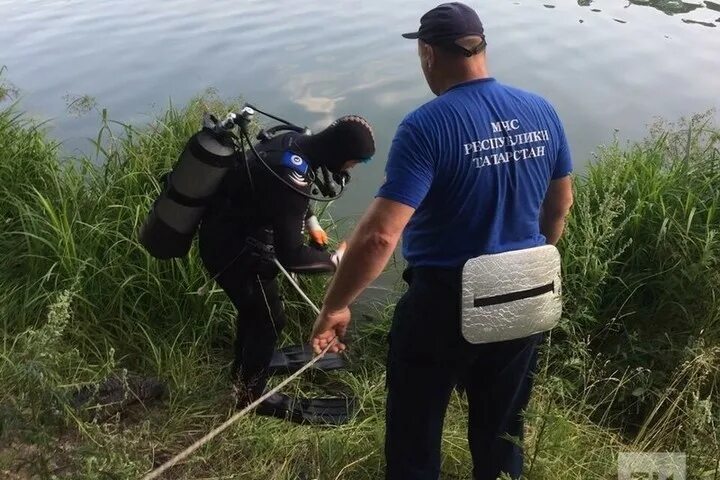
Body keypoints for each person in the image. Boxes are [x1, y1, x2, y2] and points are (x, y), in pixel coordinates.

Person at [311, 3, 573, 479]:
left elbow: (379, 237)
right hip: (527, 294)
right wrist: (529, 263)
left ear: (428, 53)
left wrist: (335, 306)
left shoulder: (425, 126)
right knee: (502, 430)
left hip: (445, 302)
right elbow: (559, 209)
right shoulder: (543, 110)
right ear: (481, 47)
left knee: (415, 431)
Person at [198, 115, 375, 417]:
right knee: (269, 320)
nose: (349, 170)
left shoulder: (294, 141)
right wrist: (338, 262)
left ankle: (245, 373)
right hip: (233, 252)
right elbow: (292, 256)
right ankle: (251, 397)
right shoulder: (291, 176)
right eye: (352, 164)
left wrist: (312, 222)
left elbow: (289, 196)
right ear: (339, 155)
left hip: (225, 234)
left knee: (256, 314)